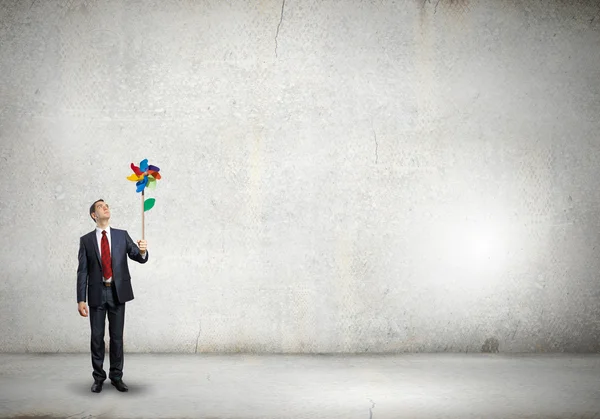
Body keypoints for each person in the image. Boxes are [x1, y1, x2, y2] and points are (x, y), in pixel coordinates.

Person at [76, 199, 149, 393]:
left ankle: (117, 376)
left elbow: (137, 256)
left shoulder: (121, 235)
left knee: (117, 338)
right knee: (97, 337)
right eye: (100, 206)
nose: (105, 207)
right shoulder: (86, 240)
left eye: (106, 205)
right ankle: (98, 378)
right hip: (96, 293)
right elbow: (82, 271)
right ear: (94, 215)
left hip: (118, 292)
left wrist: (143, 251)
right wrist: (80, 299)